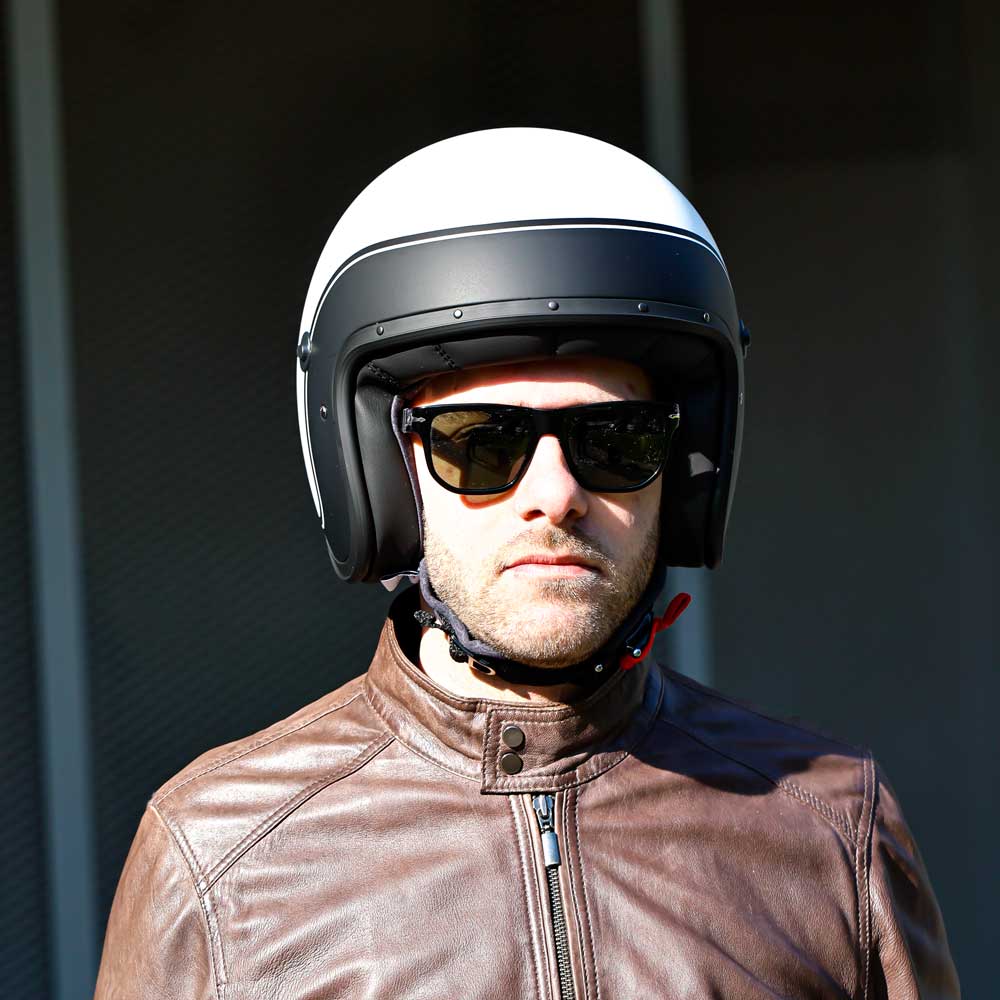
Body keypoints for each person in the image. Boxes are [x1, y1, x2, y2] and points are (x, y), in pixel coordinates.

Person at [94, 128, 959, 999]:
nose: (556, 493)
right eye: (481, 443)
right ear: (384, 480)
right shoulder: (219, 856)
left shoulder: (832, 826)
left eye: (616, 441)